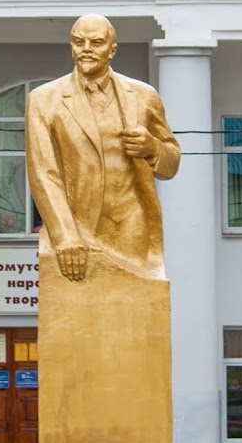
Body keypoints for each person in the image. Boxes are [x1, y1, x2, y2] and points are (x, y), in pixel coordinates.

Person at [25, 14, 180, 282]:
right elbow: (44, 172)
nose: (86, 49)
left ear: (112, 50)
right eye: (78, 42)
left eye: (96, 42)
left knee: (135, 312)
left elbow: (171, 163)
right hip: (78, 228)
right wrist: (65, 235)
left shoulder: (144, 96)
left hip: (133, 225)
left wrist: (152, 147)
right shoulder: (43, 100)